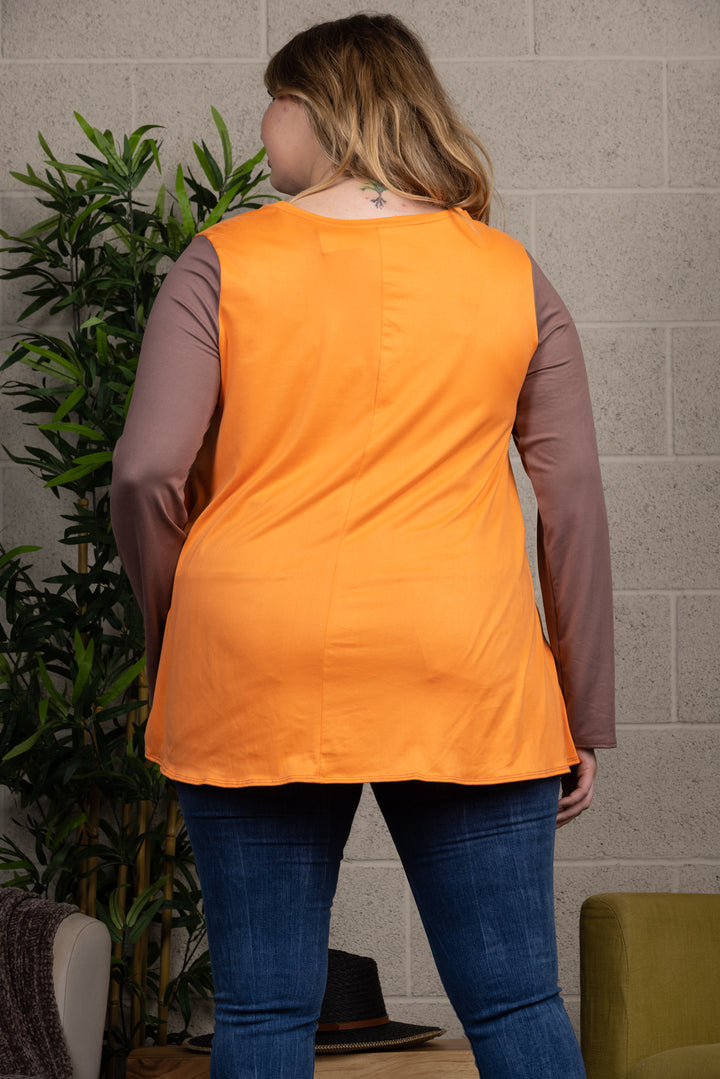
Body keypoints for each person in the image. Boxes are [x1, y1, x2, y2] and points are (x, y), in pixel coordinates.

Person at [110, 13, 615, 1079]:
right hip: (465, 665)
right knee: (517, 1001)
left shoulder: (222, 261)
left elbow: (147, 472)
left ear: (319, 108)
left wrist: (179, 640)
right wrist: (581, 703)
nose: (263, 122)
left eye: (274, 99)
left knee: (262, 1011)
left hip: (255, 658)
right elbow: (569, 497)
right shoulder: (509, 272)